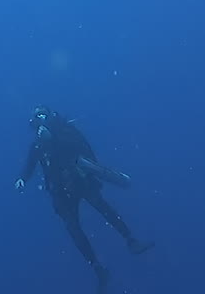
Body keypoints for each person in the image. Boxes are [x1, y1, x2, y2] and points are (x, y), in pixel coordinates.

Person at [16, 105, 153, 292]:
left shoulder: (65, 131)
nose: (40, 124)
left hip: (80, 181)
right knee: (74, 229)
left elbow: (80, 147)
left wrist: (53, 137)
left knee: (103, 208)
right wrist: (23, 179)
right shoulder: (38, 144)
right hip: (60, 191)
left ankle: (130, 240)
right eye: (36, 121)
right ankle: (98, 268)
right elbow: (30, 163)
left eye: (42, 118)